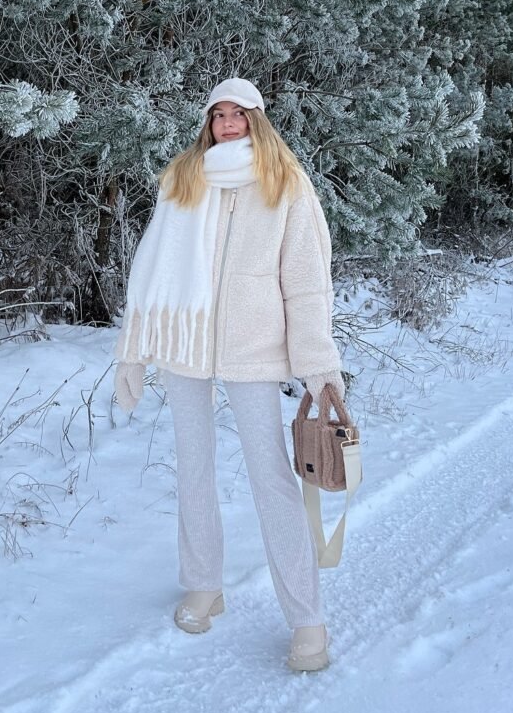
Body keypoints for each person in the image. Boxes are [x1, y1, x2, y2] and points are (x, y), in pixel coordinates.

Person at [113, 77, 345, 672]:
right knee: (192, 464)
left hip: (253, 347)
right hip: (185, 345)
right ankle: (203, 584)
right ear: (208, 123)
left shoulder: (285, 183)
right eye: (218, 114)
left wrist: (318, 363)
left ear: (257, 119)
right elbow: (150, 268)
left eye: (238, 113)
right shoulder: (184, 178)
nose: (227, 123)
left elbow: (307, 283)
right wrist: (133, 350)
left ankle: (307, 620)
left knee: (271, 476)